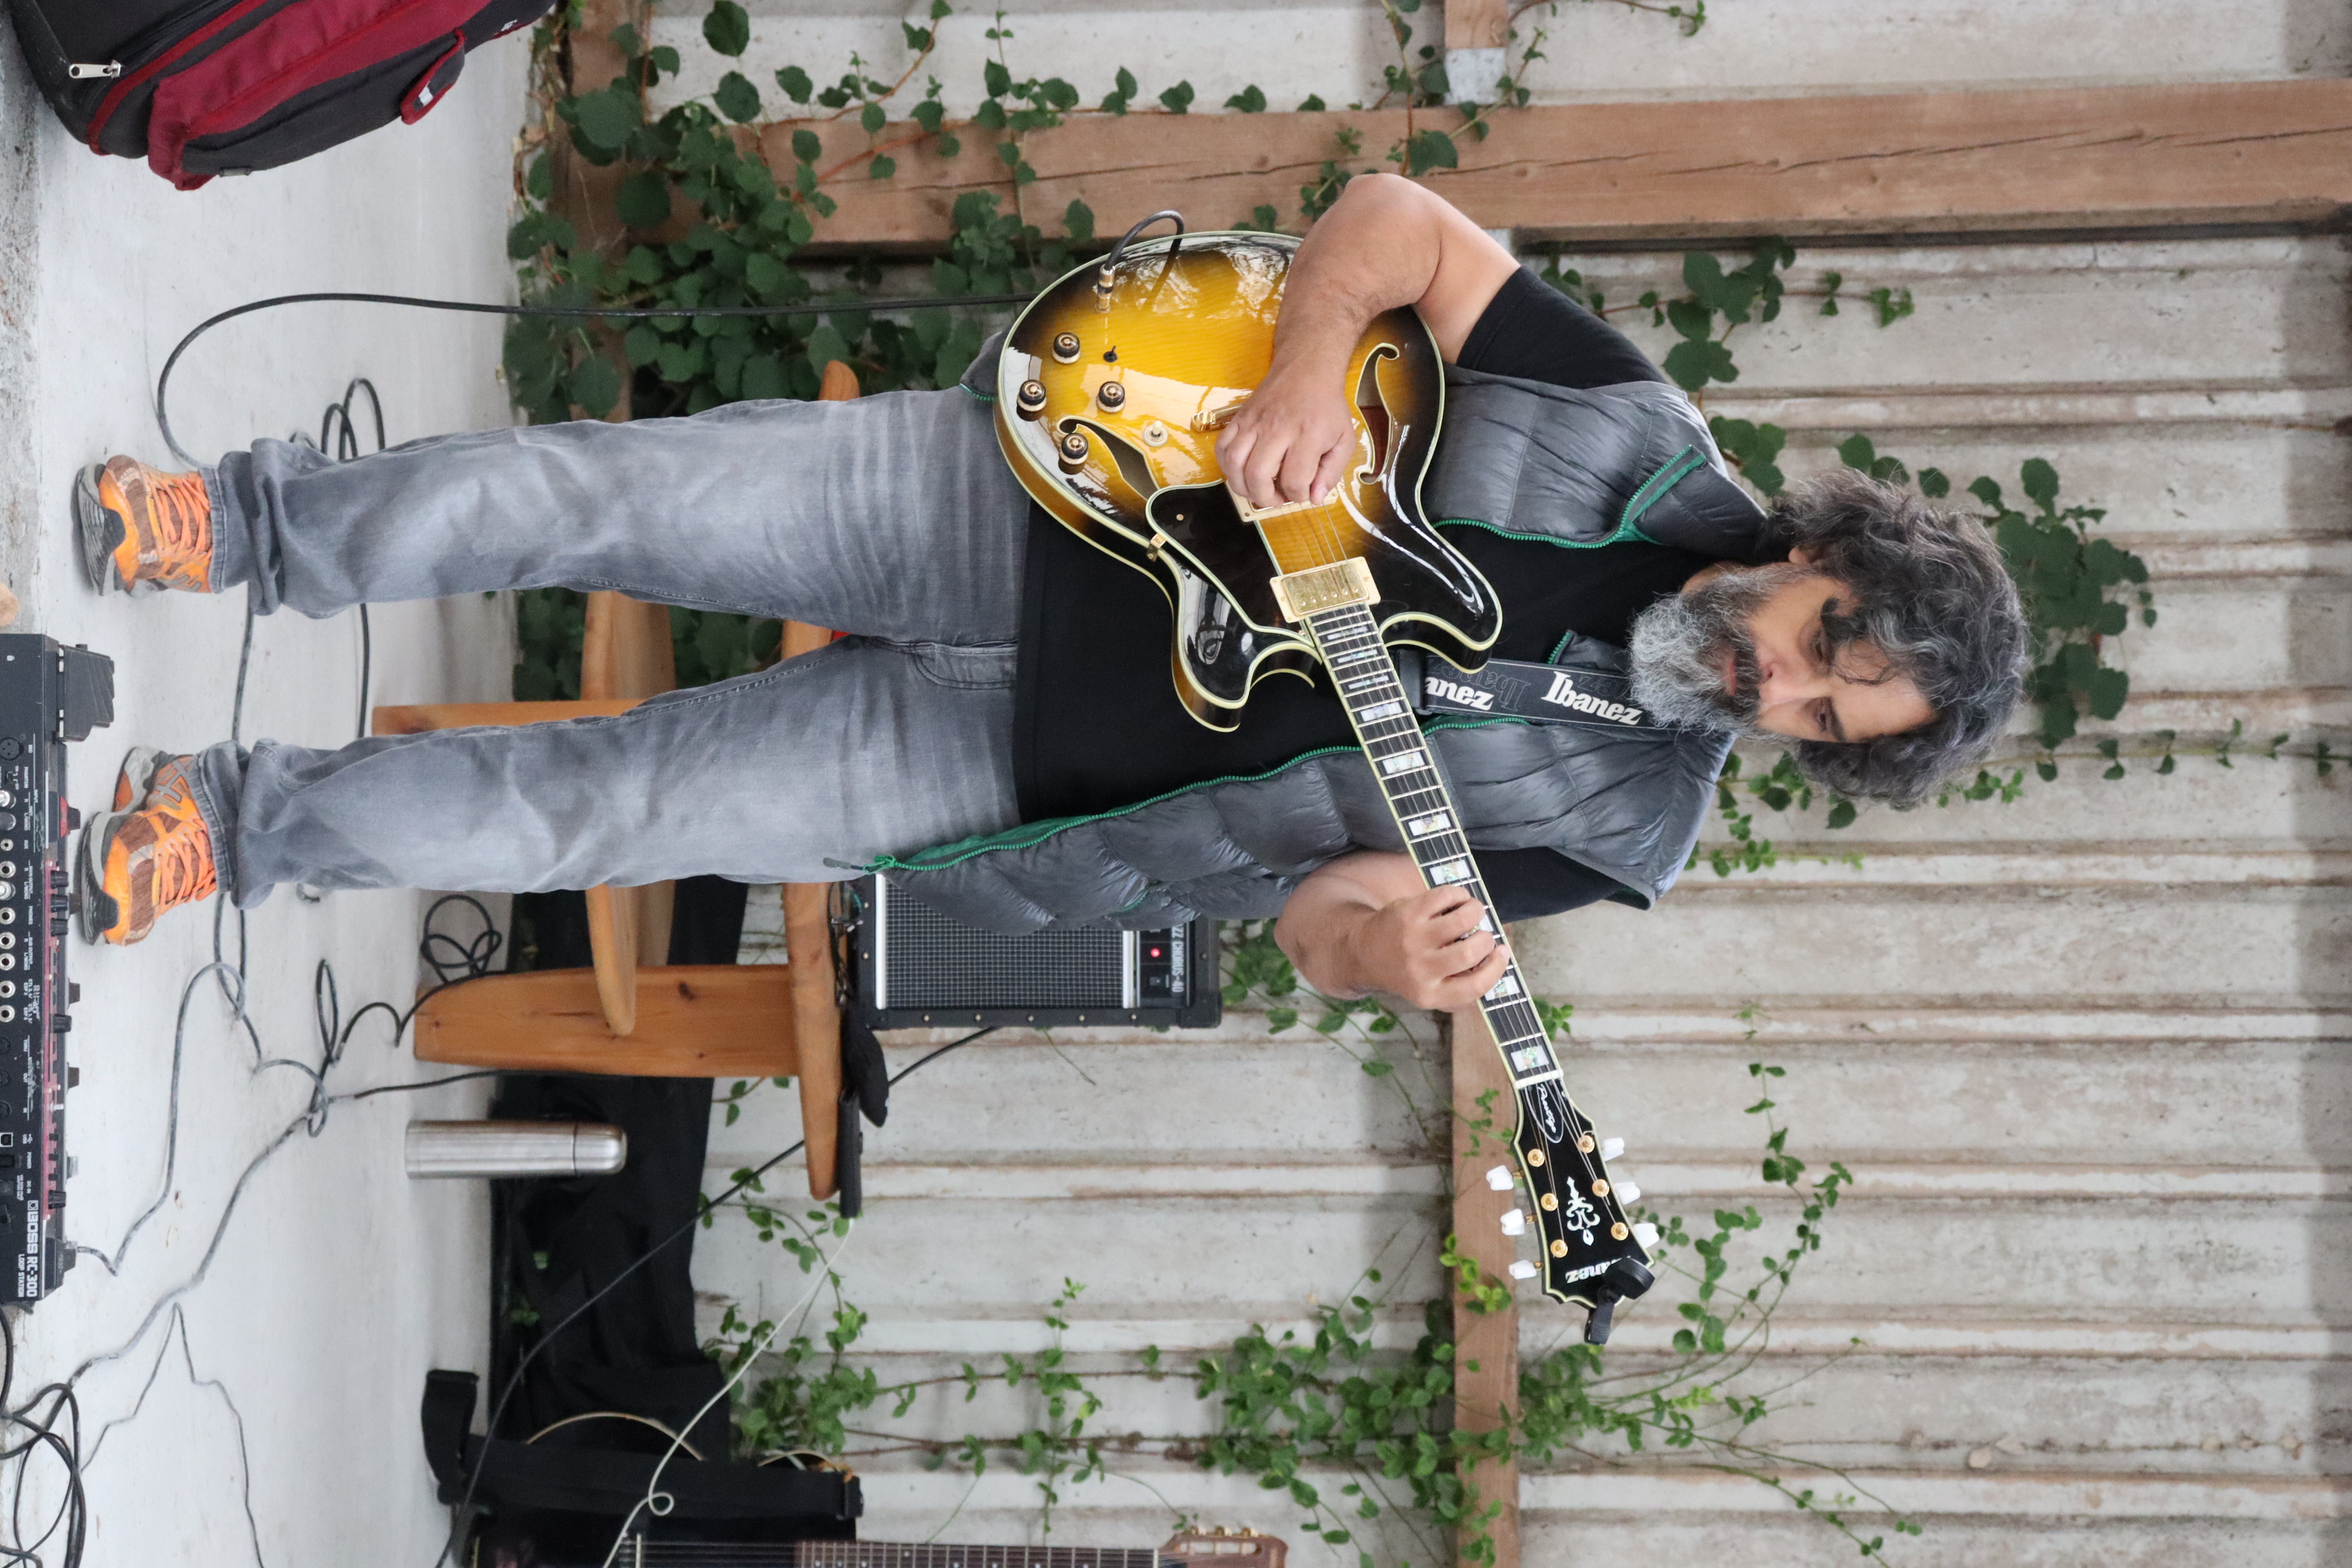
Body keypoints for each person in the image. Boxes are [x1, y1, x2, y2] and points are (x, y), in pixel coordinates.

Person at [72, 174, 2027, 1010]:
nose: (1785, 692)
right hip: (1014, 502)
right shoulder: (1630, 436)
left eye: (1825, 726)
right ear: (1822, 553)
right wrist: (1291, 383)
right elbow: (1395, 228)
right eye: (1829, 643)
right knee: (593, 492)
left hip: (1007, 776)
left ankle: (231, 831)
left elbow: (1316, 919)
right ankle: (248, 530)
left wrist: (1383, 962)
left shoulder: (1622, 837)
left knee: (610, 809)